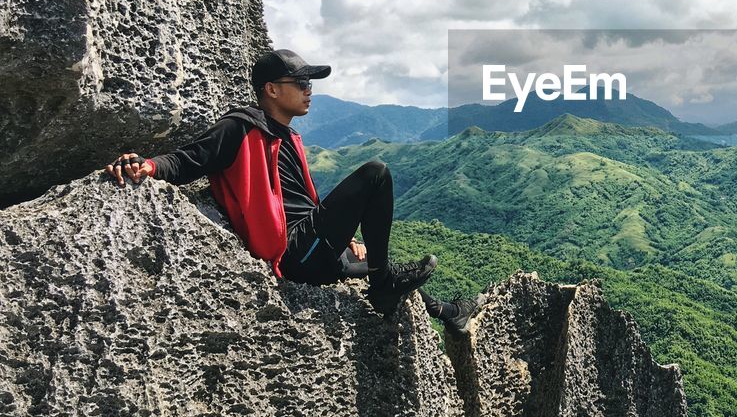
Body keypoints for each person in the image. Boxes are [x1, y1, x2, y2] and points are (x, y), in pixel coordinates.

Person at [105, 48, 477, 332]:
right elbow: (189, 161)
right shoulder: (240, 127)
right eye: (300, 84)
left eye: (310, 84)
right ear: (271, 90)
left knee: (382, 265)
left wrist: (345, 237)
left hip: (315, 244)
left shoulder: (289, 135)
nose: (308, 91)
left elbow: (304, 202)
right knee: (376, 173)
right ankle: (382, 285)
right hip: (295, 252)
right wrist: (147, 166)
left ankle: (447, 313)